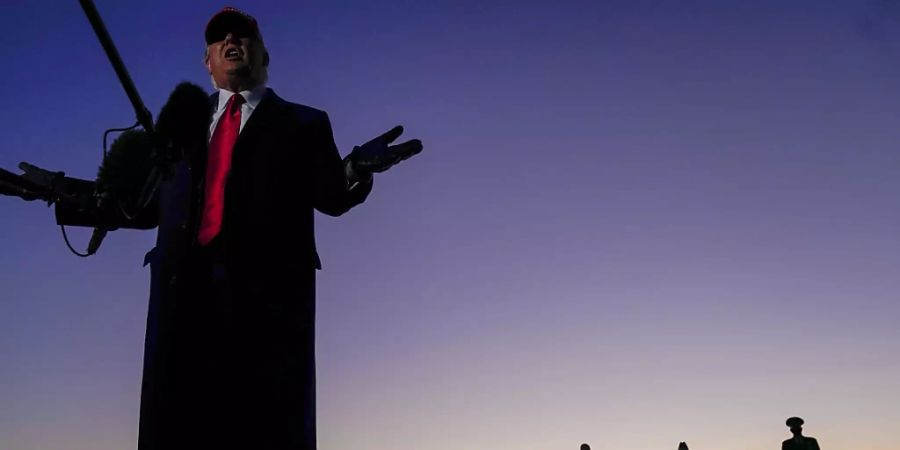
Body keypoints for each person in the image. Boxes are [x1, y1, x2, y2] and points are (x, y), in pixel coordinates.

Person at [53, 6, 422, 450]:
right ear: (207, 62)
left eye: (244, 34)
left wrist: (356, 168)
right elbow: (140, 207)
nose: (231, 38)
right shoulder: (178, 129)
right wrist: (54, 192)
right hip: (182, 310)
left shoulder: (305, 122)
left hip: (266, 312)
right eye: (219, 37)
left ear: (264, 55)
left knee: (264, 429)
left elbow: (329, 194)